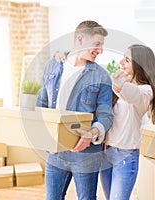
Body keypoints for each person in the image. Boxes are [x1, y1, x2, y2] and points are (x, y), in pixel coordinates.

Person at [36, 20, 114, 200]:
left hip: (85, 155)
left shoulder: (101, 76)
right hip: (55, 151)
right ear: (80, 39)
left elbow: (106, 115)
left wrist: (93, 133)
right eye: (97, 44)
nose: (100, 51)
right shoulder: (53, 66)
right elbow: (42, 103)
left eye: (102, 46)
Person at [100, 44, 155, 200]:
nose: (121, 61)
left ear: (139, 65)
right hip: (106, 152)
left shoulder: (146, 91)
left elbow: (132, 94)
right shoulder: (118, 87)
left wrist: (119, 85)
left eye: (127, 60)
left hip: (125, 156)